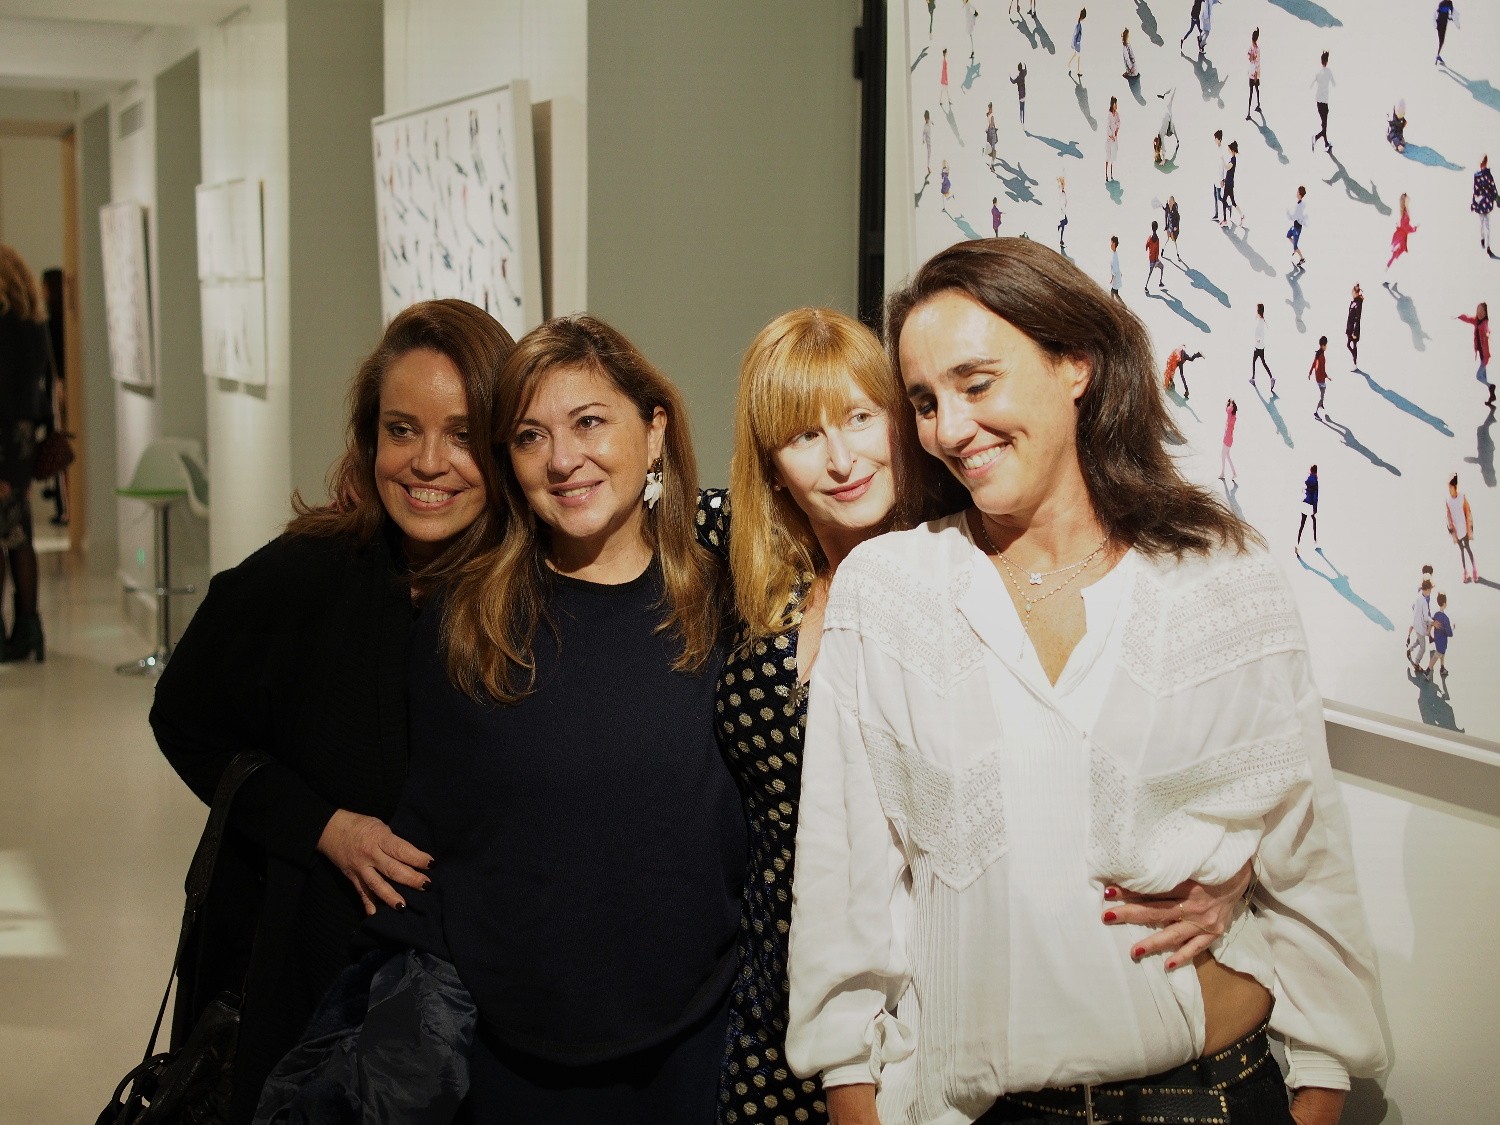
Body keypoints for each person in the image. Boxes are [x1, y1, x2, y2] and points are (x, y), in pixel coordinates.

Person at [786, 238, 1385, 1125]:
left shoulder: (1220, 574)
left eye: (976, 383)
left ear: (1076, 363)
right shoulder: (890, 591)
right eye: (925, 401)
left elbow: (1307, 851)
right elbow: (843, 888)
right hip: (987, 1108)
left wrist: (1321, 1093)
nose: (949, 428)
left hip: (1215, 1093)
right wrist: (853, 1097)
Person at [364, 315, 747, 1123]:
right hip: (506, 1057)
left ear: (654, 430)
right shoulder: (467, 619)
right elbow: (434, 836)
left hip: (695, 1043)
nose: (563, 459)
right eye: (530, 436)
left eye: (589, 422)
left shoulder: (724, 602)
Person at [150, 299, 516, 1123]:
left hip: (480, 1019)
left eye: (462, 434)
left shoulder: (529, 596)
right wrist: (322, 825)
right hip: (309, 992)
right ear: (369, 437)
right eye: (401, 430)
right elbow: (184, 717)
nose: (428, 462)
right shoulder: (303, 578)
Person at [715, 308, 945, 1125]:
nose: (842, 460)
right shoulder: (754, 571)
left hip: (914, 999)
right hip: (766, 996)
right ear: (772, 467)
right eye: (805, 436)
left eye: (859, 417)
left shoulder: (960, 567)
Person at [0, 244, 54, 663]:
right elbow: (44, 386)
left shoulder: (2, 326)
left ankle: (8, 632)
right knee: (19, 535)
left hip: (1, 438)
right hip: (21, 438)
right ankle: (29, 627)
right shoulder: (34, 323)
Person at [1457, 301, 1493, 406]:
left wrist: (1487, 333)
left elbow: (1487, 329)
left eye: (1482, 311)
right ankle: (1492, 395)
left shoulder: (1484, 324)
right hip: (1482, 356)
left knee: (1479, 376)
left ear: (1485, 313)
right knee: (1484, 378)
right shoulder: (1477, 321)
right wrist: (1460, 317)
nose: (1479, 313)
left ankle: (1491, 387)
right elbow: (1469, 319)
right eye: (1478, 311)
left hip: (1485, 357)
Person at [1446, 473, 1479, 582]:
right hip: (1456, 531)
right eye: (1448, 488)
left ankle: (1474, 570)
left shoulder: (1462, 497)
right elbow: (1448, 515)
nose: (1449, 490)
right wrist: (1450, 529)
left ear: (1455, 487)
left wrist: (1470, 528)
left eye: (1451, 487)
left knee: (1468, 548)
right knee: (1462, 551)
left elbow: (1468, 512)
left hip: (1464, 529)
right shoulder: (1448, 500)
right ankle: (1465, 572)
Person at [1407, 575, 1435, 670]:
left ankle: (1410, 649)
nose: (1430, 592)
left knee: (1419, 640)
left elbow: (1414, 608)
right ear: (1427, 590)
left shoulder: (1418, 596)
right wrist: (1433, 622)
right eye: (1430, 590)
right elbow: (1426, 617)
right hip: (1420, 626)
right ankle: (1416, 664)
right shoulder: (1424, 602)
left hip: (1415, 624)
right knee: (1423, 648)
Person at [1311, 51, 1335, 155]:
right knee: (1324, 126)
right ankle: (1316, 137)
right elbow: (1334, 83)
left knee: (1324, 124)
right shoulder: (1328, 72)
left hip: (1318, 102)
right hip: (1324, 103)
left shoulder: (1318, 73)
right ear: (1327, 61)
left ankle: (1326, 144)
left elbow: (1312, 84)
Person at [1386, 193, 1417, 270]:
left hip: (1401, 235)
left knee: (1395, 253)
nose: (1409, 200)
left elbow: (1404, 225)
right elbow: (1405, 226)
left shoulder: (1405, 210)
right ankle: (1387, 268)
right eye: (1407, 199)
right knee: (1395, 253)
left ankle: (1387, 267)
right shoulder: (1405, 212)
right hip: (1401, 235)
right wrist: (1414, 229)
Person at [1427, 592, 1453, 680]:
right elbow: (1449, 633)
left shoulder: (1436, 614)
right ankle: (1427, 671)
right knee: (1437, 655)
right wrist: (1452, 629)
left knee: (1442, 653)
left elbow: (1432, 622)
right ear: (1444, 604)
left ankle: (1442, 667)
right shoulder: (1445, 618)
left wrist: (1429, 632)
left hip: (1437, 639)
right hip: (1442, 641)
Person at [1472, 155, 1496, 254]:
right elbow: (1492, 188)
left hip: (1483, 203)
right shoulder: (1484, 175)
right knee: (1484, 225)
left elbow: (1476, 190)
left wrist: (1474, 203)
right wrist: (1496, 198)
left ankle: (1486, 243)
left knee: (1484, 224)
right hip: (1485, 202)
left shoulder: (1481, 175)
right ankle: (1485, 242)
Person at [1251, 302, 1276, 390]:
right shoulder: (1261, 320)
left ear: (1258, 310)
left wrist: (1257, 341)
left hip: (1258, 347)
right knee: (1263, 362)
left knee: (1254, 361)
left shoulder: (1260, 322)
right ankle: (1271, 378)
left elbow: (1260, 335)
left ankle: (1253, 379)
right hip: (1261, 346)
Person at [1222, 140, 1245, 227]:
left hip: (1229, 184)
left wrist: (1222, 160)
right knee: (1232, 202)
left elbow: (1227, 168)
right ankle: (1241, 215)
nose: (1228, 150)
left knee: (1225, 200)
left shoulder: (1233, 160)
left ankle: (1225, 220)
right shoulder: (1232, 159)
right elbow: (1229, 172)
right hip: (1229, 183)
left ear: (1232, 150)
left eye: (1229, 149)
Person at [1297, 463, 1319, 550]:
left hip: (1304, 502)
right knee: (1314, 521)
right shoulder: (1315, 481)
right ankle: (1315, 541)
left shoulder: (1307, 479)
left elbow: (1302, 490)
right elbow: (1315, 497)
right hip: (1310, 505)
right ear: (1316, 472)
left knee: (1302, 524)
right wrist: (1315, 509)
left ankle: (1297, 542)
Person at [1309, 335, 1331, 418]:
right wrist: (1326, 376)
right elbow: (1322, 369)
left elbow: (1314, 363)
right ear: (1322, 345)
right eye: (1326, 345)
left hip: (1318, 377)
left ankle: (1321, 405)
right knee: (1322, 395)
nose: (1326, 346)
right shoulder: (1321, 356)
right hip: (1321, 378)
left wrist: (1310, 372)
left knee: (1323, 392)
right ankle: (1316, 412)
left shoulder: (1318, 353)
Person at [1287, 185, 1308, 268]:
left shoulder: (1300, 206)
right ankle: (1295, 248)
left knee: (1295, 246)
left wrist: (1288, 214)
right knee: (1288, 235)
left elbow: (1294, 217)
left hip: (1297, 228)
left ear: (1299, 194)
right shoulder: (1300, 203)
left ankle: (1302, 258)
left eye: (1297, 192)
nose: (1296, 193)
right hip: (1295, 226)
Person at [1345, 284, 1364, 367]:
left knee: (1353, 345)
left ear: (1356, 293)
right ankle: (1354, 361)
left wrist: (1354, 332)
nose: (1351, 293)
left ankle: (1355, 362)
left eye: (1353, 292)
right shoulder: (1354, 302)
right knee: (1349, 345)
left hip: (1354, 328)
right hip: (1350, 326)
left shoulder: (1358, 304)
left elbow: (1357, 318)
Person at [1220, 398, 1238, 483]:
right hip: (1229, 438)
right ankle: (1234, 473)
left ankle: (1223, 473)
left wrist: (1230, 405)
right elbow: (1227, 410)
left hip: (1227, 438)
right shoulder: (1233, 416)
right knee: (1227, 456)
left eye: (1230, 404)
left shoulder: (1231, 416)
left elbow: (1227, 410)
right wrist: (1231, 405)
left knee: (1223, 456)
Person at [1247, 27, 1263, 119]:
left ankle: (1249, 113)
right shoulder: (1256, 48)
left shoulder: (1253, 48)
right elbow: (1252, 59)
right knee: (1256, 90)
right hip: (1254, 73)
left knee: (1251, 92)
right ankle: (1258, 105)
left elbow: (1251, 59)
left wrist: (1251, 57)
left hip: (1252, 74)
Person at [1435, 1, 1458, 65]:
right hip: (1442, 23)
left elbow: (1439, 12)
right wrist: (1450, 18)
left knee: (1441, 41)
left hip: (1440, 23)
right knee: (1441, 41)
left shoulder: (1442, 3)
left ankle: (1438, 55)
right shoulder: (1449, 3)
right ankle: (1438, 55)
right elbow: (1450, 13)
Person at [1104, 95, 1120, 181]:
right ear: (1112, 104)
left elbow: (1118, 122)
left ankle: (1111, 173)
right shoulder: (1109, 114)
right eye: (1115, 104)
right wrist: (1111, 136)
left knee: (1113, 155)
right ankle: (1106, 174)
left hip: (1114, 137)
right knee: (1108, 155)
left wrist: (1116, 130)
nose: (1116, 105)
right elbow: (1108, 127)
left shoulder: (1116, 114)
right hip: (1110, 138)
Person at [1145, 220, 1164, 291]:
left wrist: (1147, 247)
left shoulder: (1150, 238)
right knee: (1162, 267)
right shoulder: (1157, 239)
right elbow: (1157, 251)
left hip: (1151, 258)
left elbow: (1146, 245)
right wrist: (1156, 260)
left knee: (1150, 273)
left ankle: (1146, 286)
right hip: (1155, 259)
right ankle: (1160, 282)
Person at [1067, 8, 1086, 81]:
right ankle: (1078, 71)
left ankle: (1069, 64)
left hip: (1077, 43)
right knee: (1078, 56)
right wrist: (1075, 44)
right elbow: (1075, 35)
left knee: (1076, 55)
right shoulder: (1078, 25)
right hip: (1077, 44)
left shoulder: (1079, 24)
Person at [1163, 195, 1182, 261]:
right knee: (1168, 239)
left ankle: (1178, 255)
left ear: (1173, 202)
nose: (1170, 202)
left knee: (1174, 241)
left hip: (1173, 228)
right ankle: (1163, 250)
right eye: (1169, 201)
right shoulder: (1168, 208)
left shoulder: (1175, 210)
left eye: (1171, 201)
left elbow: (1178, 218)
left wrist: (1176, 226)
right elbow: (1166, 212)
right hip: (1169, 227)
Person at [1108, 235, 1123, 300]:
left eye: (1111, 243)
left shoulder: (1114, 256)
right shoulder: (1115, 254)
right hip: (1117, 277)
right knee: (1115, 293)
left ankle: (1113, 303)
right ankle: (1120, 304)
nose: (1110, 245)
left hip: (1116, 278)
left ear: (1114, 244)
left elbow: (1115, 269)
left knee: (1113, 292)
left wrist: (1112, 278)